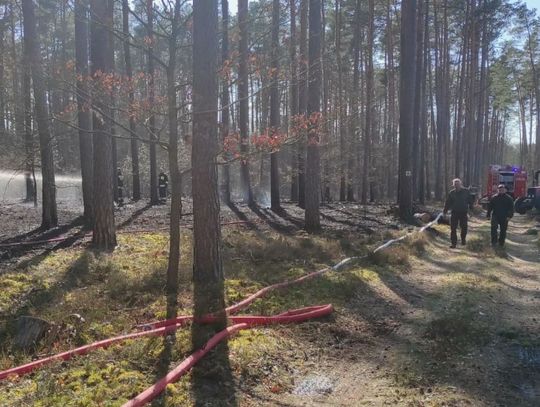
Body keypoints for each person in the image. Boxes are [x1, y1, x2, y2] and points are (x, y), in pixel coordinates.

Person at [443, 178, 474, 248]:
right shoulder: (451, 193)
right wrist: (444, 212)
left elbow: (470, 201)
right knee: (453, 228)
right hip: (454, 213)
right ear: (453, 185)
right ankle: (453, 243)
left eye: (458, 184)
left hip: (463, 212)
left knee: (464, 227)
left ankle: (463, 239)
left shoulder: (466, 191)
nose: (456, 186)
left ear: (460, 184)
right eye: (455, 184)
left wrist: (471, 210)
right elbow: (447, 203)